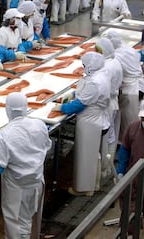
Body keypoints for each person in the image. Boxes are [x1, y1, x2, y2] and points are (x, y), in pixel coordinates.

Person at [0, 92, 52, 239]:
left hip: (17, 187)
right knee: (31, 218)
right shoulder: (39, 125)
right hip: (37, 182)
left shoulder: (5, 135)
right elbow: (47, 146)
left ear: (7, 110)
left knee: (17, 224)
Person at [52, 52, 110, 196]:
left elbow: (80, 104)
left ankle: (83, 188)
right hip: (94, 119)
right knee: (93, 154)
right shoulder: (99, 75)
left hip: (89, 121)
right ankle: (93, 185)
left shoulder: (95, 82)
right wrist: (72, 94)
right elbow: (84, 89)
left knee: (85, 155)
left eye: (84, 65)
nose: (83, 68)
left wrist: (62, 108)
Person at [103, 29, 142, 141]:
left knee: (128, 123)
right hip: (139, 86)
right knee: (133, 120)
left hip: (129, 91)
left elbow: (113, 72)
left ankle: (128, 149)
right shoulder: (129, 49)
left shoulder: (117, 55)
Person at [95, 38, 123, 178]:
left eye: (98, 51)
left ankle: (103, 169)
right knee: (111, 135)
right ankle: (107, 167)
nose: (97, 53)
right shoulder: (115, 61)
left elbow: (100, 88)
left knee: (105, 137)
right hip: (113, 102)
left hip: (106, 104)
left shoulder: (106, 67)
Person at [116, 101, 144, 234]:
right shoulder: (133, 128)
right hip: (135, 180)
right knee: (130, 214)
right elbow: (124, 150)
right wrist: (120, 171)